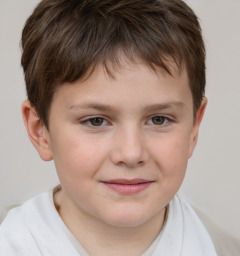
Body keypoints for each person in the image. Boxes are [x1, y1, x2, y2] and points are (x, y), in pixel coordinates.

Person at [0, 0, 217, 255]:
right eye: (96, 121)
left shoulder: (226, 248)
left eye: (159, 119)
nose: (131, 154)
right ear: (41, 132)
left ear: (193, 127)